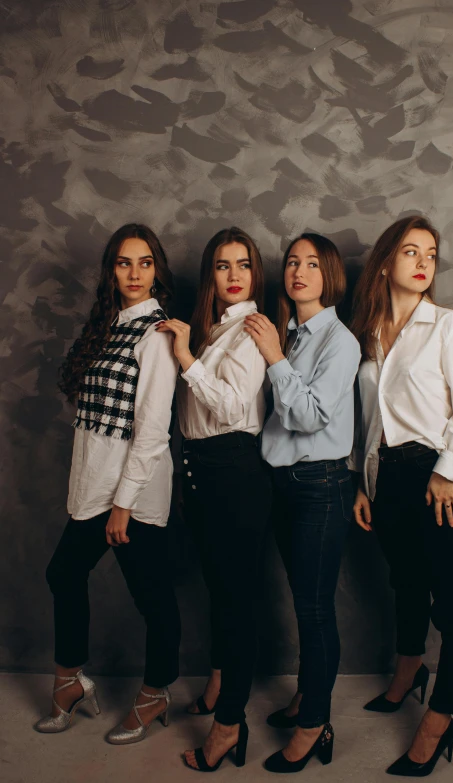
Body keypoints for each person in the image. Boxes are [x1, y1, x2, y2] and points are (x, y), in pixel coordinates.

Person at [35, 224, 180, 745]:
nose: (135, 273)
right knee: (64, 574)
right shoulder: (112, 325)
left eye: (144, 263)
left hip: (131, 493)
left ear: (157, 269)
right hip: (97, 486)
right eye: (124, 263)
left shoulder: (158, 333)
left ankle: (157, 690)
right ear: (111, 271)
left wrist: (123, 504)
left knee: (153, 598)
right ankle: (69, 682)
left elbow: (153, 430)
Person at [349, 215, 453, 776]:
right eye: (411, 251)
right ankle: (408, 672)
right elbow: (370, 421)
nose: (425, 261)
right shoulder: (369, 336)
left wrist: (450, 472)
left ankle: (439, 719)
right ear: (386, 263)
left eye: (431, 252)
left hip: (436, 478)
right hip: (387, 480)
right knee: (405, 584)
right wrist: (364, 480)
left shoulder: (450, 326)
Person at [244, 233, 361, 773]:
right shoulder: (290, 335)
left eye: (313, 263)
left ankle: (315, 723)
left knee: (314, 611)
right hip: (285, 486)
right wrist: (276, 352)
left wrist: (271, 357)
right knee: (301, 601)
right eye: (292, 261)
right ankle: (304, 700)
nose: (299, 271)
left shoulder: (340, 341)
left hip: (320, 488)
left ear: (329, 275)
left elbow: (310, 416)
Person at [157, 226, 271, 772]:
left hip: (234, 471)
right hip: (200, 470)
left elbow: (228, 408)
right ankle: (219, 686)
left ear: (255, 273)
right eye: (223, 266)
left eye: (243, 264)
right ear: (211, 275)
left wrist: (184, 356)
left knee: (237, 603)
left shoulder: (252, 329)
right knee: (219, 595)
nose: (233, 275)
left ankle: (228, 725)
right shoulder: (212, 330)